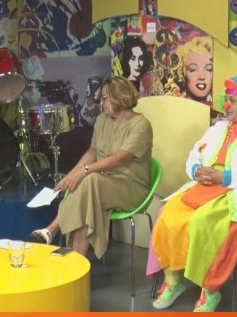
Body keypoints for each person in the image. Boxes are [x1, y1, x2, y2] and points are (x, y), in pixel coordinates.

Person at [147, 74, 237, 312]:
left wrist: (225, 177)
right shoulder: (217, 128)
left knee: (203, 222)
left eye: (232, 101)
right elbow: (194, 155)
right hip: (205, 185)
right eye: (225, 99)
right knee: (167, 214)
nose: (226, 106)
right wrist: (196, 170)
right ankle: (174, 280)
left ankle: (209, 290)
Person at [29, 76, 153, 257]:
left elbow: (119, 158)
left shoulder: (141, 125)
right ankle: (75, 260)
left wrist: (84, 171)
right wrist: (71, 175)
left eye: (105, 98)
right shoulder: (102, 120)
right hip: (102, 184)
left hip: (131, 187)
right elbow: (92, 152)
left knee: (90, 180)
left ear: (119, 97)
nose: (101, 102)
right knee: (86, 195)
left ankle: (52, 229)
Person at [178, 36, 213, 104]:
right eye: (193, 69)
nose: (201, 77)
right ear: (183, 72)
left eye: (208, 69)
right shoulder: (175, 104)